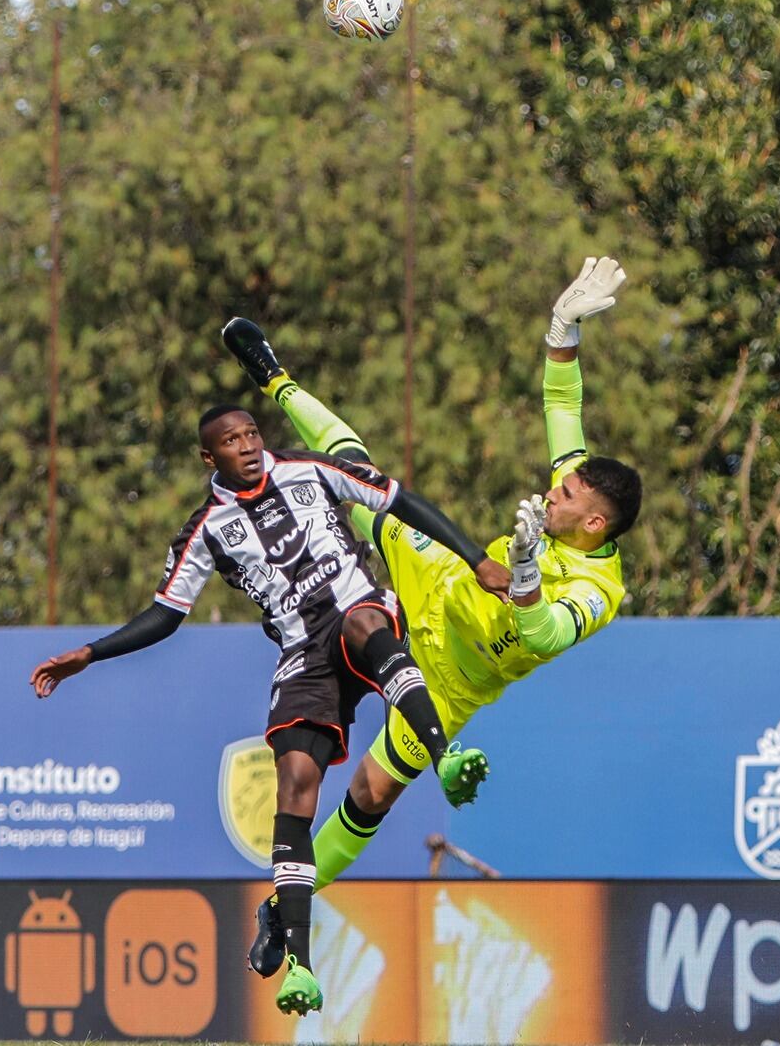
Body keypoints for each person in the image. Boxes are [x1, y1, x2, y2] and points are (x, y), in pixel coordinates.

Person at [29, 383, 511, 1017]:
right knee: (295, 785)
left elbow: (399, 501)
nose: (249, 448)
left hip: (355, 610)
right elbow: (166, 613)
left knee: (368, 627)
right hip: (302, 653)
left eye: (252, 434)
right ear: (210, 460)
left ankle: (445, 756)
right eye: (232, 442)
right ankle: (300, 965)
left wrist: (475, 559)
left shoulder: (311, 469)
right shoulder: (207, 529)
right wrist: (90, 653)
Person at [224, 256, 643, 979]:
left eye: (567, 491)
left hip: (453, 682)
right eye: (562, 480)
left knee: (369, 796)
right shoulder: (568, 504)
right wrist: (562, 330)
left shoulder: (602, 593)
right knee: (356, 471)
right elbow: (562, 406)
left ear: (594, 523)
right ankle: (273, 376)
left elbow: (542, 634)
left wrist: (523, 580)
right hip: (441, 581)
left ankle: (281, 909)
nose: (555, 488)